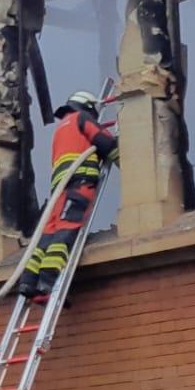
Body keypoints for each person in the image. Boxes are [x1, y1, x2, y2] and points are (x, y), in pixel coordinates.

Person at [19, 90, 118, 299]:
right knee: (66, 230)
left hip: (59, 189)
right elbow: (105, 142)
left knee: (48, 233)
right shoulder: (82, 118)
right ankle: (47, 282)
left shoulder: (61, 128)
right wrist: (127, 160)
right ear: (88, 107)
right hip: (79, 183)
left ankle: (29, 283)